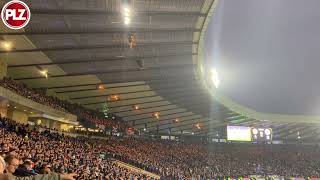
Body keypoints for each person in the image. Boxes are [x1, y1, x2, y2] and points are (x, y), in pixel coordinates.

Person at [0, 156, 76, 180]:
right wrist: (60, 176)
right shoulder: (6, 177)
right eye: (14, 165)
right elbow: (33, 179)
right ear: (5, 164)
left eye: (17, 166)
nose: (16, 168)